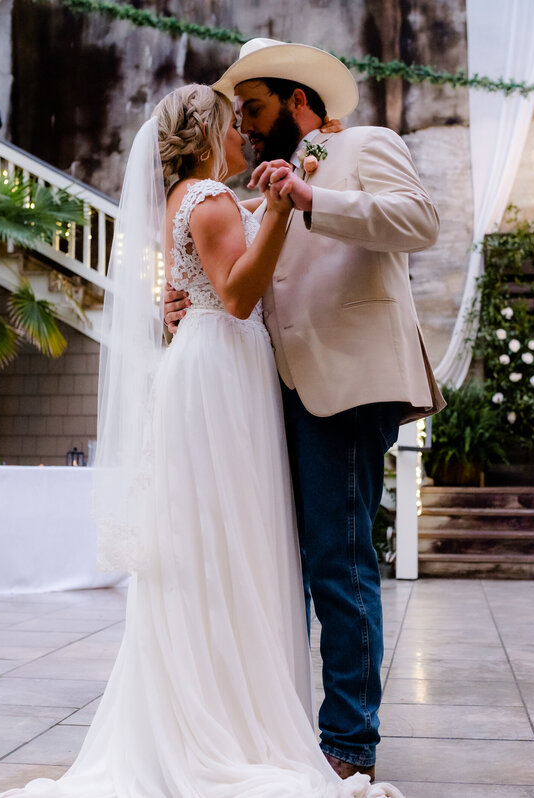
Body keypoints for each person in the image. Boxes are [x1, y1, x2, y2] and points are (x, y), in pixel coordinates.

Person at [0, 84, 402, 798]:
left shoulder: (201, 198)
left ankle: (236, 713)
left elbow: (211, 284)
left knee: (221, 547)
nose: (245, 132)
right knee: (225, 545)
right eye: (234, 122)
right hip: (220, 379)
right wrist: (275, 207)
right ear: (209, 130)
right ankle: (231, 725)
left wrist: (193, 284)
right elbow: (237, 295)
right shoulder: (210, 197)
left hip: (221, 369)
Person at [166, 38, 444, 781]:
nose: (247, 128)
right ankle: (282, 725)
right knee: (277, 566)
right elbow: (249, 289)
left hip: (347, 382)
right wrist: (186, 302)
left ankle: (350, 744)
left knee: (337, 562)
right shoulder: (257, 191)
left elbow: (419, 221)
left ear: (297, 101)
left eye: (254, 109)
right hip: (272, 394)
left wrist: (314, 196)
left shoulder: (364, 146)